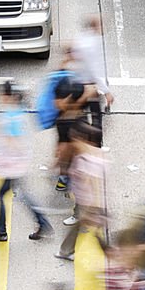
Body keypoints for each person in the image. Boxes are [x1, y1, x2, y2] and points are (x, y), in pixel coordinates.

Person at [0, 81, 52, 242]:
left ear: (10, 97)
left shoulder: (10, 117)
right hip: (18, 164)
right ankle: (42, 222)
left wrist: (0, 132)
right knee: (20, 194)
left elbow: (14, 142)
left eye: (3, 95)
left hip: (13, 165)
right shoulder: (18, 112)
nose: (1, 98)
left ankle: (1, 232)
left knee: (0, 194)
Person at [57, 121, 108, 261]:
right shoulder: (83, 155)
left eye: (75, 137)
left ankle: (65, 251)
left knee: (90, 227)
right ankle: (65, 251)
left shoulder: (89, 158)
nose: (73, 140)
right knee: (89, 227)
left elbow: (93, 182)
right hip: (86, 201)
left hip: (89, 201)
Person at [52, 52, 95, 193]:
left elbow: (58, 104)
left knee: (65, 149)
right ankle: (65, 176)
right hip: (68, 124)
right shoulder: (73, 89)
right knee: (66, 149)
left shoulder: (66, 85)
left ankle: (64, 174)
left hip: (67, 123)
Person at [72, 15, 114, 129]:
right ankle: (95, 143)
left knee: (81, 117)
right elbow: (93, 69)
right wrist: (106, 92)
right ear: (95, 26)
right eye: (101, 25)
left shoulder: (82, 38)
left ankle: (85, 140)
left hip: (78, 84)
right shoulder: (93, 43)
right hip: (89, 86)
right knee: (96, 118)